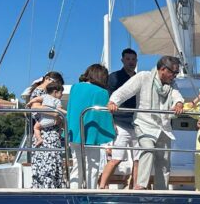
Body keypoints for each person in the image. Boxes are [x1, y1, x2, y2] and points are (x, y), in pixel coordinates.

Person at [105, 55, 185, 190]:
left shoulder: (172, 85)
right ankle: (140, 186)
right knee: (148, 150)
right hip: (144, 124)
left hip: (163, 127)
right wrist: (113, 102)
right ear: (163, 70)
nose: (175, 76)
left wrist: (178, 104)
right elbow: (125, 90)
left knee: (164, 161)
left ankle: (162, 191)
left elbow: (177, 96)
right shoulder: (144, 77)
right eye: (174, 72)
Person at [66, 64, 115, 189]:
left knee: (77, 166)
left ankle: (74, 194)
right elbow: (103, 116)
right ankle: (90, 193)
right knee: (92, 167)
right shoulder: (102, 92)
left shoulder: (75, 87)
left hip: (74, 131)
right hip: (92, 134)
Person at [103, 48, 139, 187]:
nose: (131, 62)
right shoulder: (113, 77)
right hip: (120, 123)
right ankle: (102, 185)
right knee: (116, 158)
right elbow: (108, 99)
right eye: (128, 59)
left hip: (136, 123)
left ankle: (136, 187)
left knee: (138, 159)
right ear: (122, 60)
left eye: (133, 59)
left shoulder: (138, 78)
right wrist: (111, 121)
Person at [27, 80, 66, 188]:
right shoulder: (51, 99)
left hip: (48, 131)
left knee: (49, 164)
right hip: (49, 134)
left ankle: (46, 186)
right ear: (55, 91)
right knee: (50, 163)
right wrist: (57, 115)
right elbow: (35, 107)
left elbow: (34, 103)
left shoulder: (43, 96)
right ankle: (50, 186)